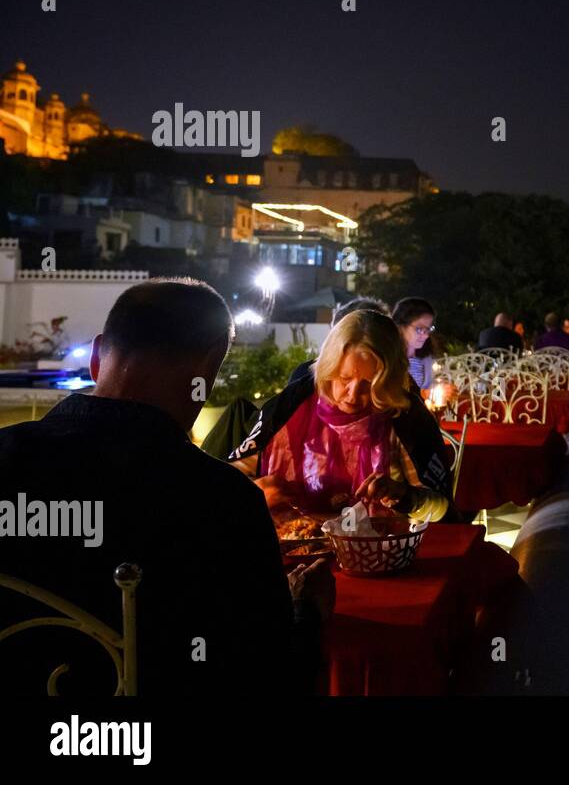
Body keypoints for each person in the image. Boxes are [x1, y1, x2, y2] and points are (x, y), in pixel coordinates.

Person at [0, 278, 332, 695]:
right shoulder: (224, 504)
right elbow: (269, 674)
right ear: (207, 370)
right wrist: (306, 611)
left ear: (97, 355)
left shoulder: (7, 459)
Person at [242, 310, 450, 524]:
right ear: (328, 367)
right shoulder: (294, 404)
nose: (352, 394)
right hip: (296, 545)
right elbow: (228, 479)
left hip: (378, 550)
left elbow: (442, 511)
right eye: (344, 378)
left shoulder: (403, 416)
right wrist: (255, 492)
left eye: (369, 384)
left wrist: (404, 496)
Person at [392, 296, 438, 391]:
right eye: (420, 329)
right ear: (400, 326)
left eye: (428, 329)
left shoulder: (426, 360)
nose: (426, 335)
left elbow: (427, 390)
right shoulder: (389, 359)